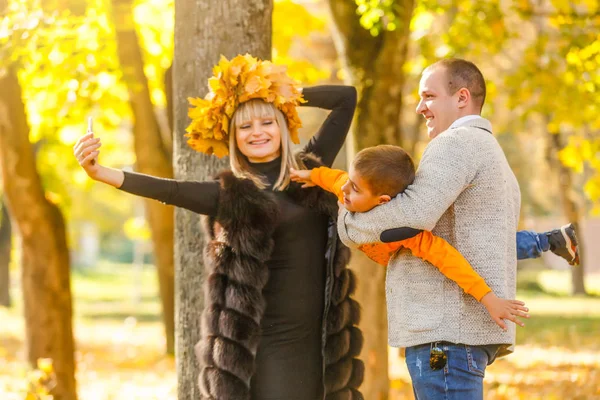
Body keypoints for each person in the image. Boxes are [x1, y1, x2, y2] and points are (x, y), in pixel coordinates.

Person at [73, 55, 363, 400]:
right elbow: (169, 190)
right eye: (245, 126)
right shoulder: (229, 194)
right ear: (233, 138)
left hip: (321, 342)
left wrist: (276, 92)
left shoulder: (311, 172)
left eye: (267, 122)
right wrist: (100, 173)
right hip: (265, 346)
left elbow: (347, 97)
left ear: (282, 126)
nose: (257, 132)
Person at [334, 58, 522, 399]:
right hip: (460, 334)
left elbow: (413, 214)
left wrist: (348, 222)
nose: (420, 107)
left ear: (462, 97)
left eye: (429, 96)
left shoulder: (456, 143)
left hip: (446, 334)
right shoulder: (492, 154)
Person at [290, 144, 530, 330]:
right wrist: (310, 175)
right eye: (350, 183)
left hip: (431, 278)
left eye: (355, 188)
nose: (344, 190)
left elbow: (447, 258)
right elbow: (334, 178)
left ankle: (539, 242)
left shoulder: (404, 229)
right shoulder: (349, 188)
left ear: (382, 201)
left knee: (494, 245)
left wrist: (489, 299)